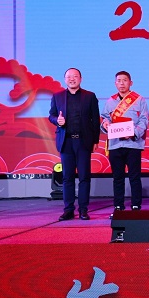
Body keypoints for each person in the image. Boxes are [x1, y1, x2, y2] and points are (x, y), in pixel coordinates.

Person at [48, 68, 100, 221]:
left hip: (83, 141)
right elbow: (51, 115)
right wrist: (57, 120)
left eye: (75, 76)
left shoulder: (90, 96)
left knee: (84, 177)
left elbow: (95, 120)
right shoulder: (57, 96)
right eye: (69, 77)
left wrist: (95, 140)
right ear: (65, 79)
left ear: (80, 79)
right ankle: (68, 210)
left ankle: (83, 209)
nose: (72, 79)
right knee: (67, 177)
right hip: (66, 142)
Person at [100, 70, 149, 216]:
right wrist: (105, 124)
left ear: (130, 83)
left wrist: (133, 133)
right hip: (115, 144)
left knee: (134, 176)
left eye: (125, 80)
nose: (122, 83)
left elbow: (144, 120)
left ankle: (136, 206)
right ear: (115, 83)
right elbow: (104, 118)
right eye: (119, 81)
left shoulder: (139, 100)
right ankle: (118, 206)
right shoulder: (110, 101)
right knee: (118, 177)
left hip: (133, 144)